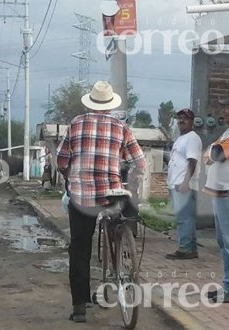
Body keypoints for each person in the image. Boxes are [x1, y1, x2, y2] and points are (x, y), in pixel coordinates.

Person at [57, 81, 147, 323]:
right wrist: (130, 179)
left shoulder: (76, 124)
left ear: (90, 102)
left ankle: (79, 307)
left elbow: (61, 161)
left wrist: (69, 178)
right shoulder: (121, 127)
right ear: (110, 105)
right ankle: (120, 253)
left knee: (79, 249)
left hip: (82, 196)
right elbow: (140, 164)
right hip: (112, 193)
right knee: (118, 220)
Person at [204, 92, 229, 303]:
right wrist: (212, 151)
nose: (224, 111)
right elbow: (208, 154)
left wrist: (213, 152)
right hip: (222, 193)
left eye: (228, 107)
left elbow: (216, 154)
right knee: (225, 242)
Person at [165, 108, 202, 259]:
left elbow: (192, 161)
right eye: (179, 118)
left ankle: (185, 249)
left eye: (185, 118)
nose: (182, 120)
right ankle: (191, 248)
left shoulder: (192, 138)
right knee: (186, 217)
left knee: (184, 218)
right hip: (177, 183)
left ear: (192, 121)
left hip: (183, 184)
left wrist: (186, 182)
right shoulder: (181, 138)